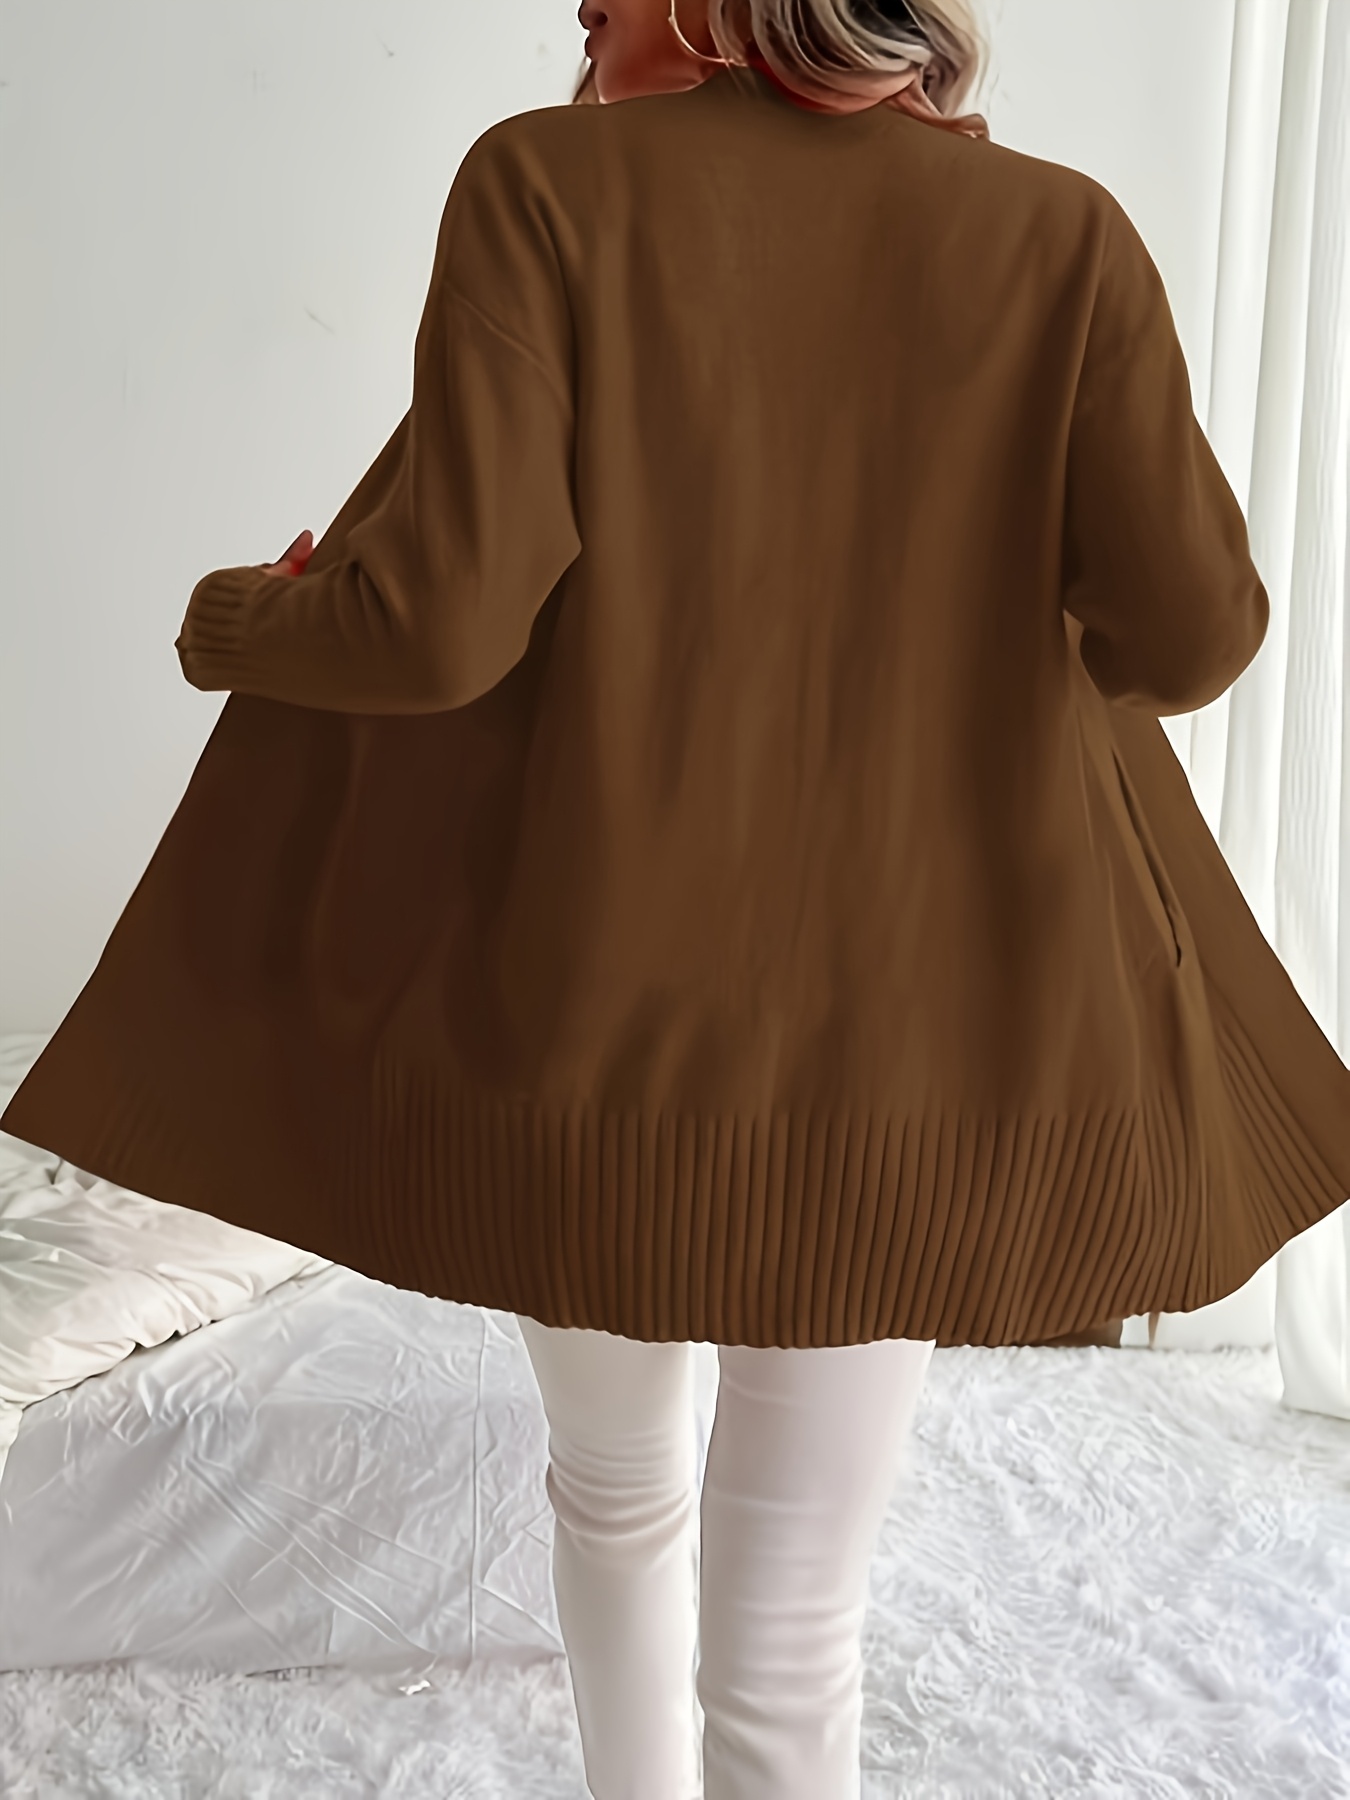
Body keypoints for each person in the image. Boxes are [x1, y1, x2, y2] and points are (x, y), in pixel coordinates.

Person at [6, 0, 1350, 1795]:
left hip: (595, 1010)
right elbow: (1188, 639)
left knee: (614, 1493)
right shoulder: (1059, 234)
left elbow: (439, 625)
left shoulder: (544, 186)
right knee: (797, 1612)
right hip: (918, 1026)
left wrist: (236, 613)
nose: (576, 13)